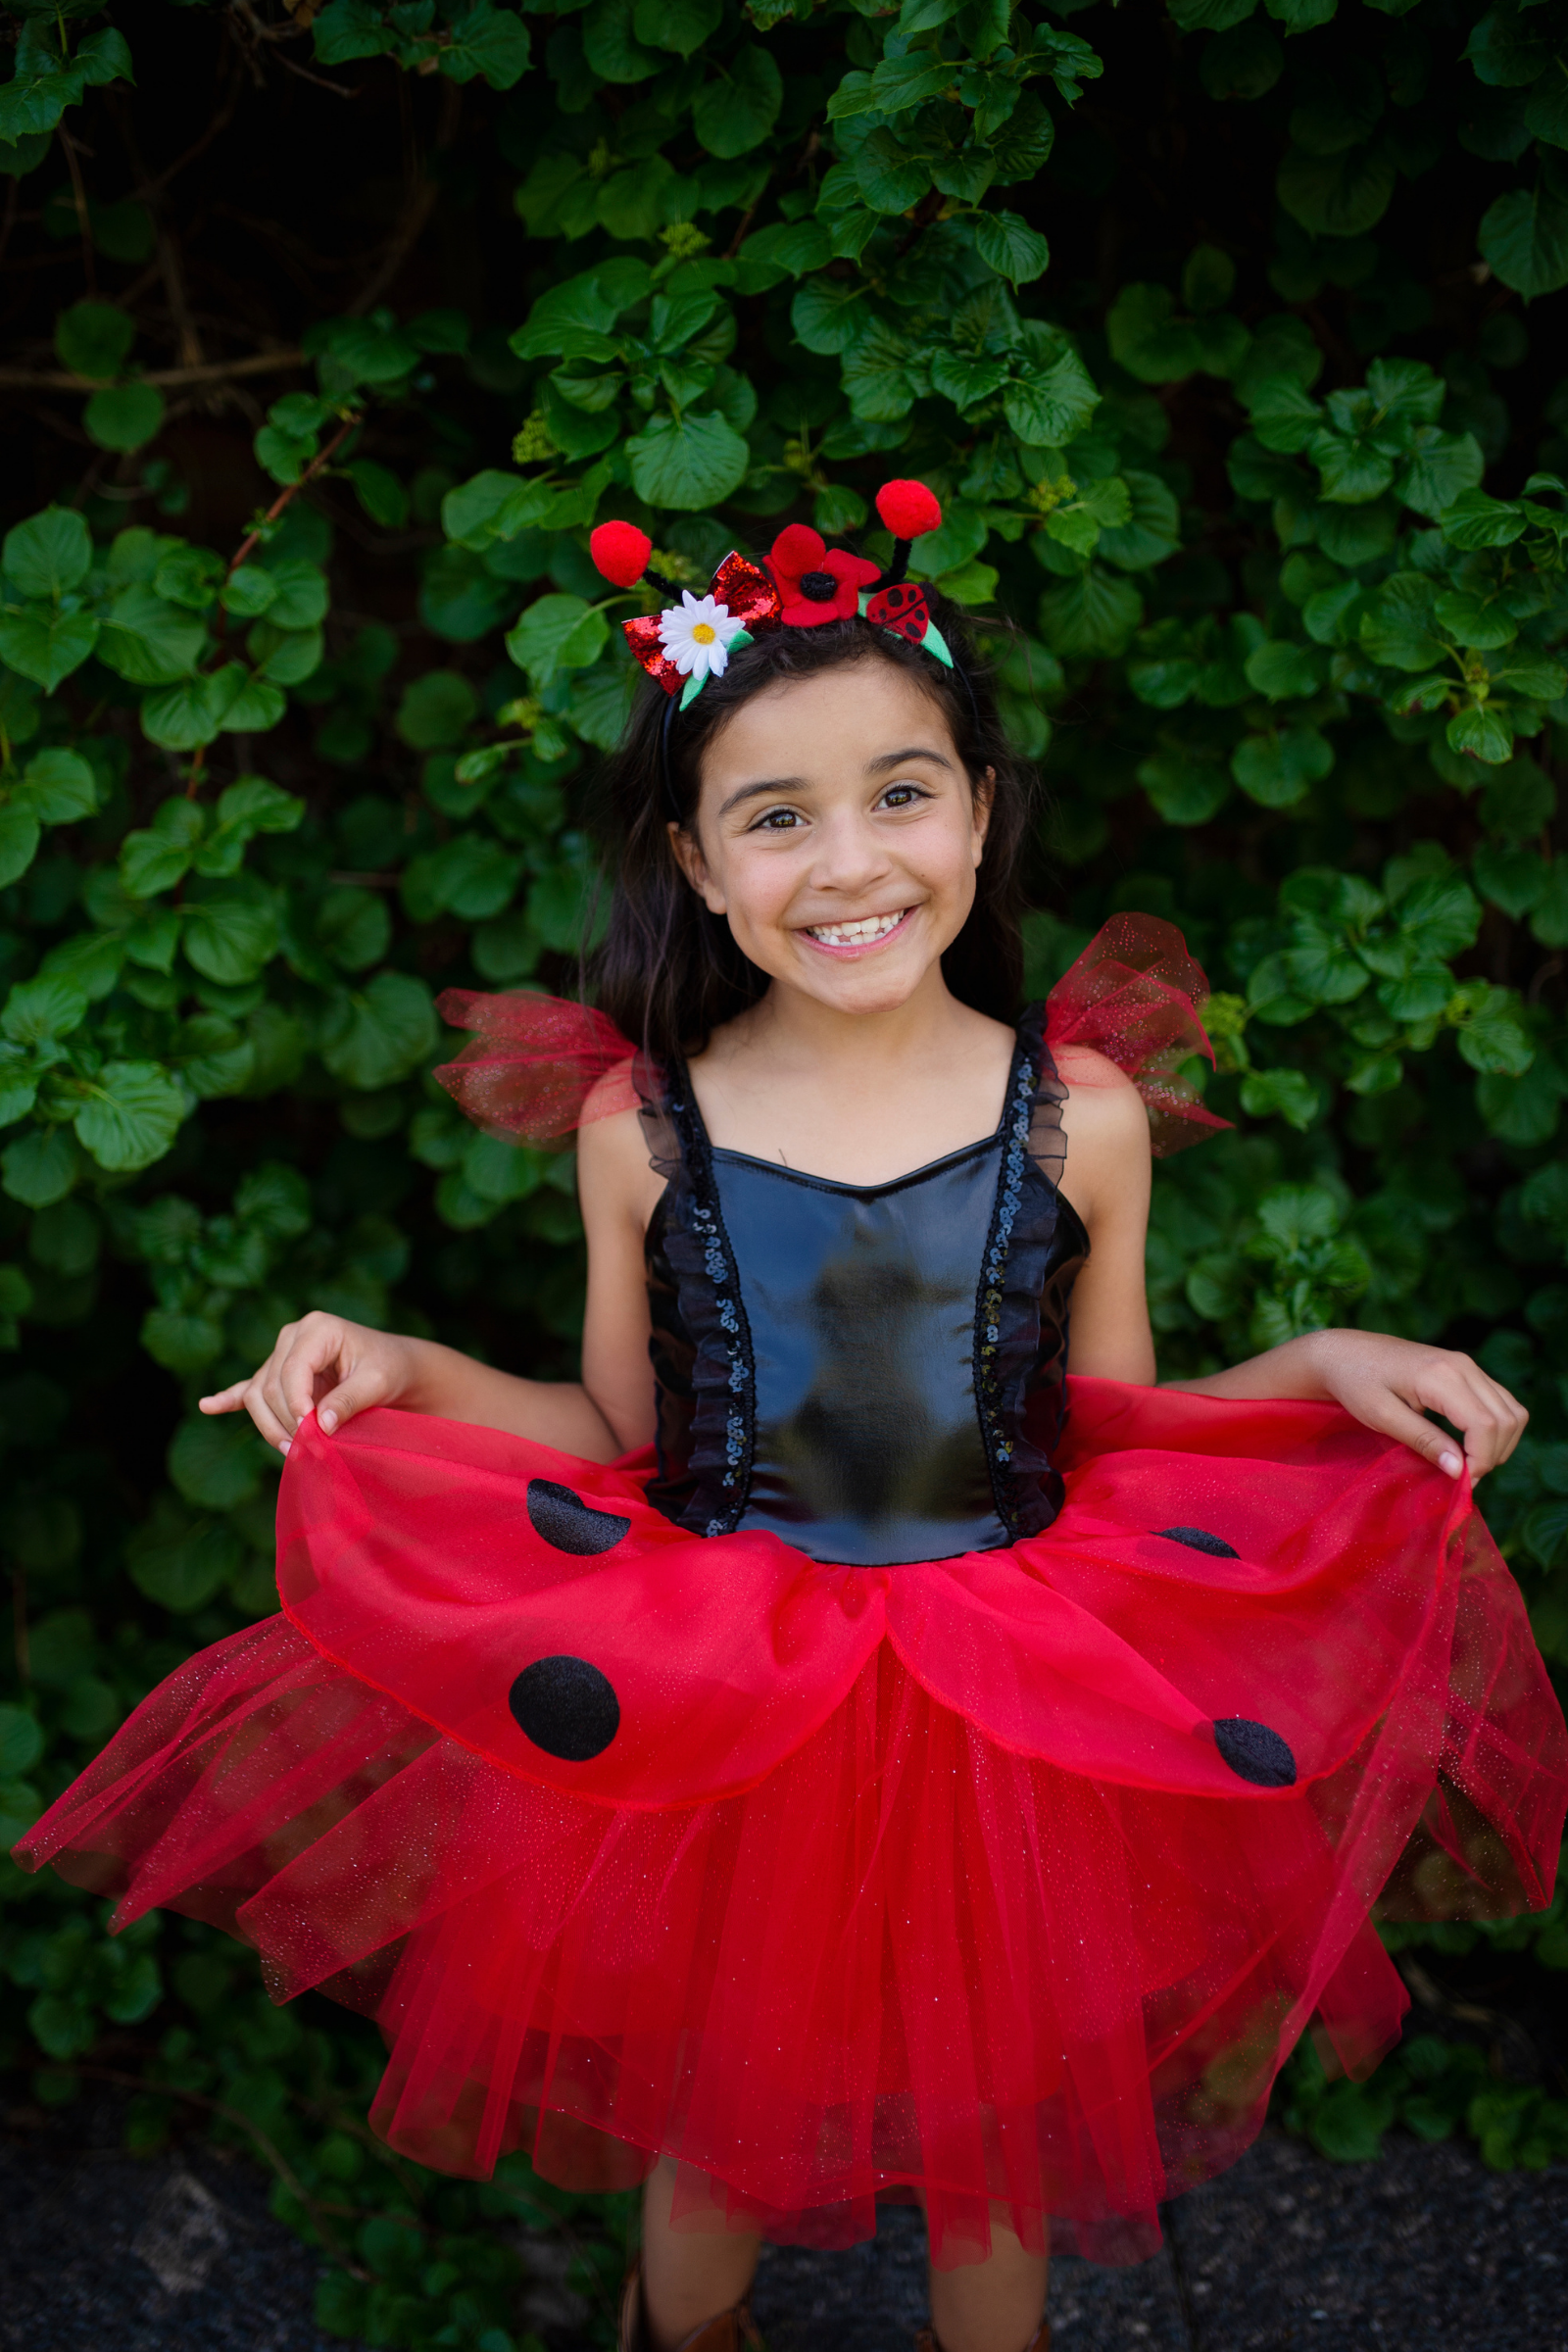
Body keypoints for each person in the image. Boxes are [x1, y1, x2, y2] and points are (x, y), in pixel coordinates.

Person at [18, 486, 1566, 2352]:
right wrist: (401, 1364)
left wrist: (1322, 1367)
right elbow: (607, 1432)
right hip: (727, 1694)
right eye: (778, 816)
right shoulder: (636, 1129)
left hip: (1016, 1705)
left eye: (902, 793)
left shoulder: (1079, 1113)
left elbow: (1119, 1422)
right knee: (714, 2135)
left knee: (997, 2142)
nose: (850, 861)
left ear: (981, 815)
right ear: (695, 860)